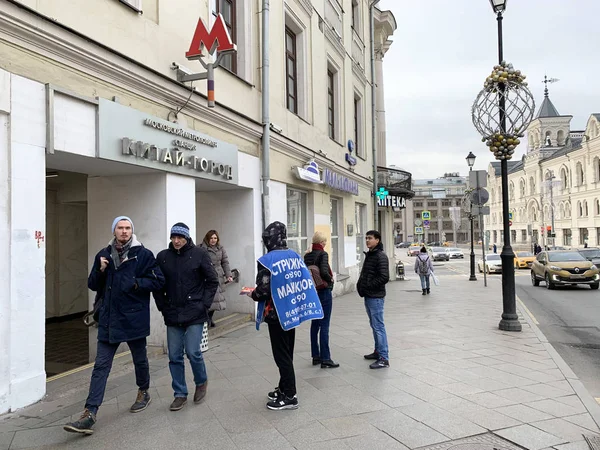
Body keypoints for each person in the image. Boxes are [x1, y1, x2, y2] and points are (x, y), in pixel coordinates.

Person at [64, 216, 164, 435]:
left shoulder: (143, 255)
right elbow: (92, 284)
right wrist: (100, 270)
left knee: (139, 359)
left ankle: (144, 390)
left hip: (133, 317)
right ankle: (89, 413)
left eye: (128, 228)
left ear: (132, 231)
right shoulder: (103, 254)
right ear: (114, 231)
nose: (124, 231)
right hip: (109, 319)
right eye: (120, 228)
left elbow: (158, 280)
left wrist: (137, 283)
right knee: (101, 366)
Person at [250, 221, 322, 411]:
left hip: (276, 315)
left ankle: (290, 395)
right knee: (287, 352)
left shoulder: (267, 260)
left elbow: (263, 290)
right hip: (292, 311)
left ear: (268, 239)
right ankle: (283, 388)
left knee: (281, 355)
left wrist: (252, 293)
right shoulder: (295, 256)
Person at [153, 223, 219, 412]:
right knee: (174, 356)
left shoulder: (199, 254)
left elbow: (212, 281)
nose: (176, 241)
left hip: (195, 312)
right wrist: (162, 306)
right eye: (173, 237)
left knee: (193, 351)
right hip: (172, 313)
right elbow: (157, 284)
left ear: (187, 238)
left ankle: (201, 381)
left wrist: (204, 305)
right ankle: (180, 394)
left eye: (180, 237)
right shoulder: (163, 257)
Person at [304, 231, 338, 369]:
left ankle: (315, 356)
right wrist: (330, 279)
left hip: (313, 292)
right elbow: (324, 271)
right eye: (324, 241)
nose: (325, 243)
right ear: (320, 242)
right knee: (325, 324)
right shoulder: (322, 254)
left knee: (315, 324)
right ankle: (326, 358)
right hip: (323, 291)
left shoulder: (307, 255)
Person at [357, 230, 390, 369]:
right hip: (369, 295)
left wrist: (368, 285)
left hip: (375, 296)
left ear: (377, 240)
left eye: (370, 238)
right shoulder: (371, 255)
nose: (367, 241)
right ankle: (377, 351)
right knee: (374, 325)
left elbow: (384, 277)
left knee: (378, 327)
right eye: (366, 238)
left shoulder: (380, 256)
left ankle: (384, 358)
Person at [200, 230, 233, 328]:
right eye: (211, 238)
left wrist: (229, 275)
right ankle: (205, 319)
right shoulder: (201, 248)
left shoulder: (221, 248)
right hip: (207, 276)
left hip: (218, 276)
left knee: (216, 299)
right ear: (207, 238)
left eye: (215, 238)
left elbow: (225, 262)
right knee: (208, 298)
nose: (213, 240)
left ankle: (210, 318)